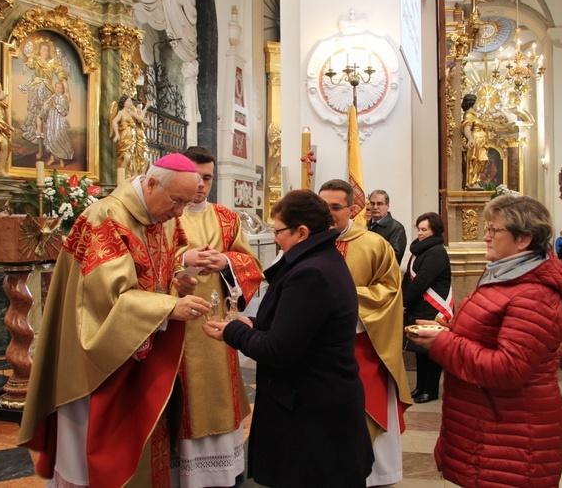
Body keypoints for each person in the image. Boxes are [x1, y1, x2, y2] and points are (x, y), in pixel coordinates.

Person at [18, 153, 213, 487]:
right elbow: (101, 300)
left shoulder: (162, 214)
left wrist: (176, 279)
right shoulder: (105, 219)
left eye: (186, 203)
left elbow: (160, 267)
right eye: (177, 201)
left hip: (143, 346)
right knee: (94, 450)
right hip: (100, 358)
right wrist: (167, 308)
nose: (180, 213)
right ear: (152, 183)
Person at [203, 189, 374, 487]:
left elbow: (279, 349)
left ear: (302, 232)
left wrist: (234, 331)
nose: (276, 238)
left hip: (312, 413)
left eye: (279, 231)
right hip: (320, 404)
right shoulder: (321, 260)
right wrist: (252, 322)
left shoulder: (310, 273)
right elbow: (301, 326)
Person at [406, 194, 562, 487]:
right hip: (487, 424)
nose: (485, 237)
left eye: (493, 230)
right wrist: (449, 329)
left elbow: (509, 368)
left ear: (524, 239)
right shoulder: (505, 275)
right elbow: (491, 335)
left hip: (512, 435)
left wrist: (443, 344)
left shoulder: (533, 294)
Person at [173, 146, 264, 487]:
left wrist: (226, 262)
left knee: (217, 391)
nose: (201, 185)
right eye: (195, 177)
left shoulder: (226, 217)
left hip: (217, 322)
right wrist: (183, 262)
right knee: (183, 395)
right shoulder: (168, 214)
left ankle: (221, 470)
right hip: (177, 322)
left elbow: (251, 266)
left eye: (207, 178)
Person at [318, 179, 411, 487]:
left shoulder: (375, 244)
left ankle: (375, 475)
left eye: (336, 207)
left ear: (353, 209)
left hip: (364, 343)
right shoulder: (311, 242)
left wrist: (343, 298)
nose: (329, 214)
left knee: (366, 411)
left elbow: (390, 291)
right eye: (323, 207)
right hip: (320, 350)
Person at [402, 212, 452, 404]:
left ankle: (430, 390)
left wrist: (404, 301)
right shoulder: (420, 251)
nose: (420, 233)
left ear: (435, 231)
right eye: (419, 229)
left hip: (432, 308)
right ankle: (420, 387)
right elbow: (410, 279)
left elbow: (422, 281)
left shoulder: (436, 252)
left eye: (424, 230)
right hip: (420, 306)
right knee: (419, 350)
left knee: (431, 352)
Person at [19, 39, 70, 149]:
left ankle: (48, 139)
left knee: (46, 113)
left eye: (47, 50)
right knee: (34, 110)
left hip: (47, 89)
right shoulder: (35, 60)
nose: (45, 52)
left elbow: (61, 74)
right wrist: (18, 50)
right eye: (43, 50)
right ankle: (35, 135)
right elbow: (26, 61)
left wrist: (67, 90)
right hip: (36, 88)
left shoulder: (54, 63)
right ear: (39, 50)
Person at [367, 189, 407, 265]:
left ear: (387, 206)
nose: (375, 207)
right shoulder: (365, 227)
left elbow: (394, 258)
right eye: (372, 203)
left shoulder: (397, 228)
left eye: (380, 204)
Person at [111, 94, 147, 177]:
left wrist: (146, 108)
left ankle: (127, 175)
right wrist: (116, 134)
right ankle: (121, 178)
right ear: (124, 103)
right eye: (129, 101)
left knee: (130, 159)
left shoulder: (130, 113)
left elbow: (140, 118)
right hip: (124, 138)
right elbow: (114, 122)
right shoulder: (121, 113)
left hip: (131, 140)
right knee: (126, 158)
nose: (131, 103)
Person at [42, 81, 74, 168]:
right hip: (51, 120)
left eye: (59, 88)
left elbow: (64, 111)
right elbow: (45, 106)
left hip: (58, 122)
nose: (57, 89)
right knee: (51, 138)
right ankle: (52, 157)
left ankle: (61, 159)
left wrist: (56, 105)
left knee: (58, 138)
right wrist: (48, 105)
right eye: (56, 87)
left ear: (62, 89)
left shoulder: (63, 99)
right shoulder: (52, 97)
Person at [462, 93, 489, 189]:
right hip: (475, 143)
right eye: (476, 103)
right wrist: (470, 139)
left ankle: (476, 179)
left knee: (481, 160)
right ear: (472, 104)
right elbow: (466, 127)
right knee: (475, 161)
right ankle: (472, 181)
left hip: (481, 143)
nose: (477, 105)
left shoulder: (474, 116)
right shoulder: (469, 116)